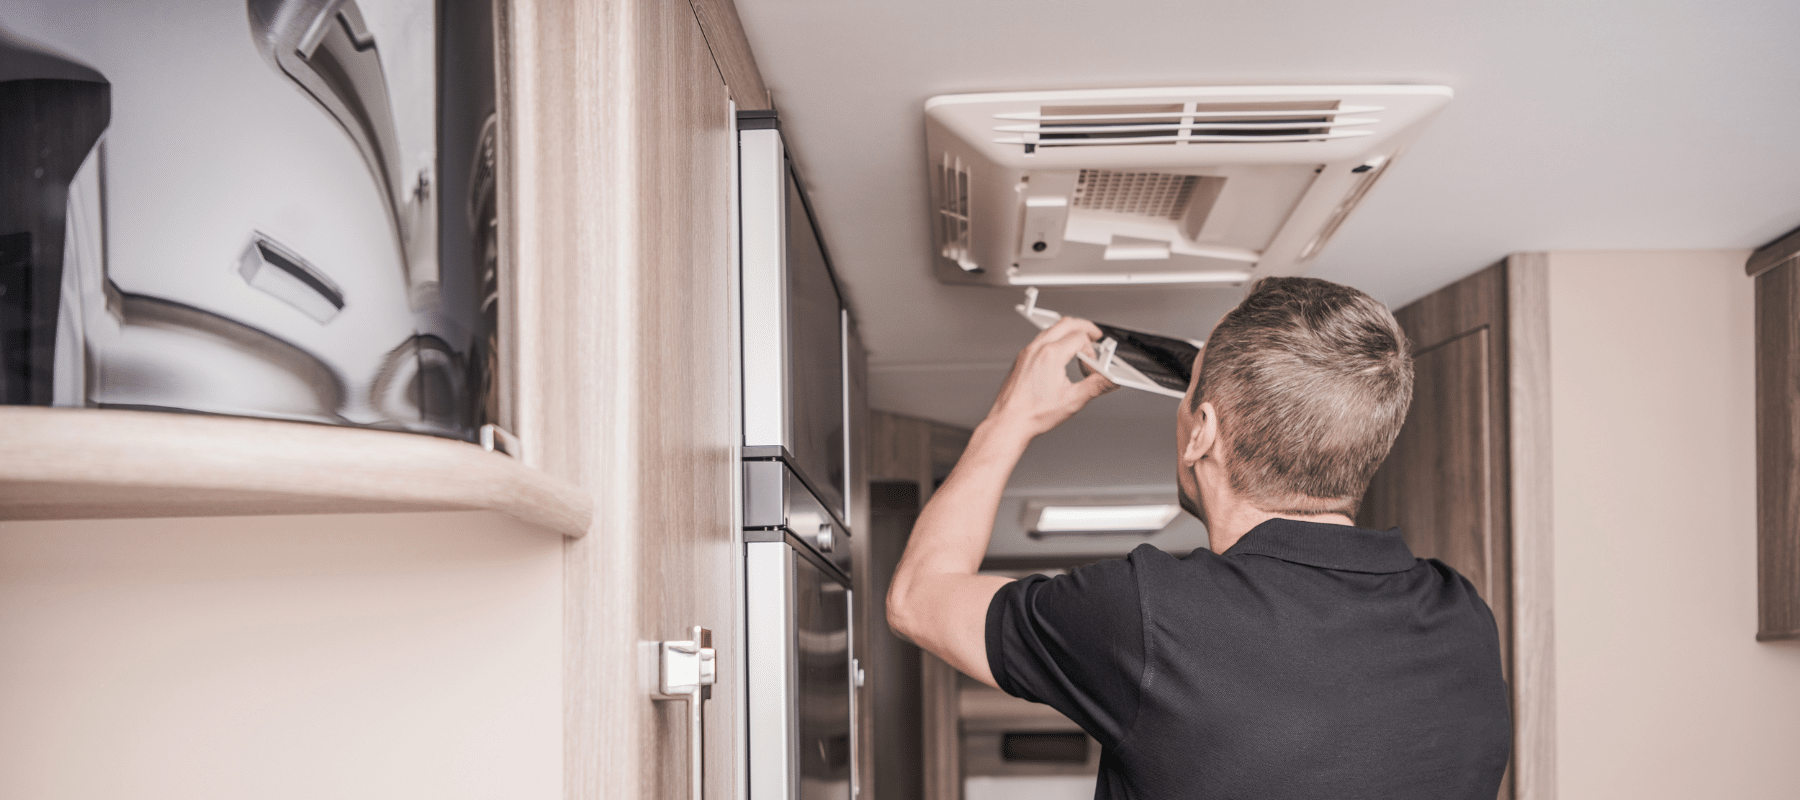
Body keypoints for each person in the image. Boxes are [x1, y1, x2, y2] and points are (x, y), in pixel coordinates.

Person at [885, 277, 1511, 799]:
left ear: (1202, 431)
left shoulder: (1148, 614)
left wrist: (1008, 421)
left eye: (1189, 389)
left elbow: (919, 596)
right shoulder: (1463, 621)